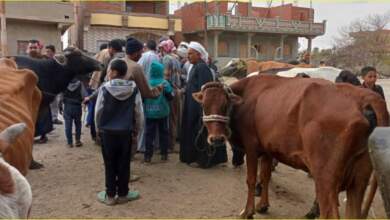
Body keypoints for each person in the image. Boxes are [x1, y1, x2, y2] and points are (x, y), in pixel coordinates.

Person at [95, 59, 141, 205]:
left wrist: (98, 128)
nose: (108, 72)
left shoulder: (104, 88)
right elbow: (139, 112)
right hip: (125, 132)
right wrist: (137, 129)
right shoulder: (134, 88)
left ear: (114, 72)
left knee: (109, 164)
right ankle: (123, 194)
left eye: (109, 70)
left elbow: (98, 111)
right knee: (124, 163)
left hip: (107, 133)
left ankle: (109, 196)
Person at [180, 41, 227, 168]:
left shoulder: (202, 68)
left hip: (198, 108)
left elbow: (206, 93)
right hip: (192, 106)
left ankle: (205, 161)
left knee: (202, 132)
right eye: (187, 54)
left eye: (191, 54)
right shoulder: (195, 66)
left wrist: (201, 110)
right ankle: (196, 158)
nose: (188, 56)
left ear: (199, 54)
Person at [144, 61, 174, 163]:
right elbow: (170, 97)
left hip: (149, 112)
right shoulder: (165, 83)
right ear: (161, 71)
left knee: (149, 134)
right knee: (164, 133)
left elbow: (143, 98)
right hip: (163, 112)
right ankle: (164, 154)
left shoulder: (147, 82)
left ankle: (147, 156)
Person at [27, 40, 50, 169]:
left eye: (35, 47)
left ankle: (29, 159)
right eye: (30, 47)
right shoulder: (23, 62)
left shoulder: (44, 62)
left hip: (38, 101)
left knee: (32, 129)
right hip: (24, 102)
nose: (32, 49)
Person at [61, 78, 87, 148]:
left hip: (67, 106)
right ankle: (78, 141)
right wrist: (86, 102)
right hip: (77, 107)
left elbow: (61, 96)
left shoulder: (64, 83)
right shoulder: (80, 84)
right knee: (78, 124)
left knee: (68, 125)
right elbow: (84, 95)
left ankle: (69, 143)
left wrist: (60, 106)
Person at [44, 45, 63, 126]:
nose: (47, 53)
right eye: (46, 51)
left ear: (53, 52)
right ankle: (47, 119)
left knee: (55, 101)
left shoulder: (57, 61)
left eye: (49, 51)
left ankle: (54, 118)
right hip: (46, 84)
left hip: (55, 84)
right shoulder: (44, 61)